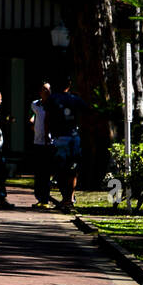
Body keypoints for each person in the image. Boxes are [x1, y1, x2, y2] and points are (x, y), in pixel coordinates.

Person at [45, 76, 90, 213]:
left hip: (59, 138)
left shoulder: (52, 99)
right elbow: (88, 111)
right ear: (69, 85)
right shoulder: (74, 99)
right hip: (73, 138)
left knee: (60, 170)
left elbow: (46, 119)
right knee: (72, 169)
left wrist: (47, 136)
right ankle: (69, 199)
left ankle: (65, 198)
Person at [30, 82, 54, 208]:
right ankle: (40, 198)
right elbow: (32, 118)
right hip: (38, 143)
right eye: (44, 89)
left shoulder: (54, 105)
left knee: (47, 172)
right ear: (40, 92)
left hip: (50, 143)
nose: (47, 91)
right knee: (39, 172)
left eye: (49, 89)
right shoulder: (35, 104)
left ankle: (45, 198)